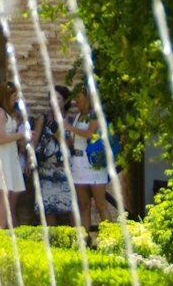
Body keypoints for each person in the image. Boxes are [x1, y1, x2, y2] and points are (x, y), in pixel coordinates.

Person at [67, 86, 114, 235]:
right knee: (83, 204)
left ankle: (110, 239)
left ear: (87, 98)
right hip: (78, 162)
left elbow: (89, 134)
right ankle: (84, 240)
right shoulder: (77, 116)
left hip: (93, 162)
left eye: (79, 98)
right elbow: (74, 140)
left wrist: (69, 128)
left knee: (101, 203)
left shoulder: (95, 115)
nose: (76, 101)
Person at [0, 84, 28, 229]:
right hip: (2, 158)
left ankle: (2, 231)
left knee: (7, 199)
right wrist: (21, 134)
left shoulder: (8, 113)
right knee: (3, 199)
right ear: (6, 96)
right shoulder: (0, 113)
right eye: (14, 96)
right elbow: (1, 138)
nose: (16, 100)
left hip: (10, 157)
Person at [32, 85, 73, 226]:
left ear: (65, 101)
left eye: (59, 98)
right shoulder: (42, 119)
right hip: (46, 168)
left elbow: (72, 145)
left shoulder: (70, 121)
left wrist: (59, 135)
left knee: (71, 206)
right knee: (48, 207)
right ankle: (51, 240)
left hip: (66, 168)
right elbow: (34, 141)